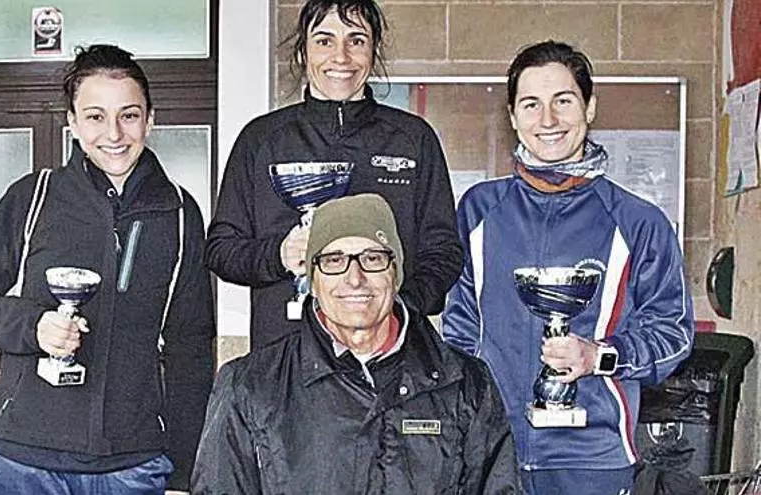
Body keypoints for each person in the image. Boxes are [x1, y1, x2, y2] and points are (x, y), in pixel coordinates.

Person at [0, 44, 215, 493]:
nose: (114, 133)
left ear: (150, 120)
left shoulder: (180, 213)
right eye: (95, 116)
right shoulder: (32, 198)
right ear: (72, 122)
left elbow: (190, 345)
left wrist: (184, 467)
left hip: (133, 463)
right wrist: (34, 326)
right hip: (24, 459)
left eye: (129, 115)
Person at [442, 40, 695, 495]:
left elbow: (673, 335)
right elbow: (459, 334)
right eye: (531, 104)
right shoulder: (478, 210)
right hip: (490, 455)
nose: (548, 120)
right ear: (512, 116)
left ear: (589, 107)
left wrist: (599, 356)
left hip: (593, 460)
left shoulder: (638, 222)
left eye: (563, 101)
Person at [192, 193, 520, 494]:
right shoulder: (250, 385)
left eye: (372, 258)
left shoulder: (465, 383)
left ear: (395, 273)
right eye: (334, 260)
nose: (354, 278)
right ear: (312, 280)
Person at [206, 0, 462, 349]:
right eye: (324, 41)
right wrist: (278, 256)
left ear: (374, 50)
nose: (341, 57)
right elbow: (221, 249)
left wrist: (396, 308)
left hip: (392, 354)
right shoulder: (261, 139)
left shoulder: (413, 139)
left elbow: (444, 251)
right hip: (286, 352)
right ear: (303, 52)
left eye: (356, 40)